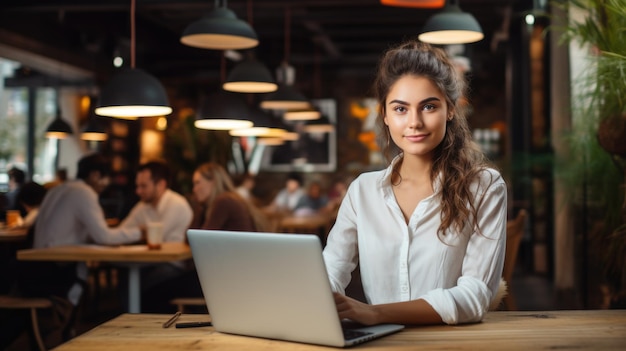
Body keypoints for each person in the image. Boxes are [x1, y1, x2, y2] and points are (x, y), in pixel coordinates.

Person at [322, 40, 507, 327]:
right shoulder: (363, 191)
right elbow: (331, 269)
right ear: (384, 115)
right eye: (400, 109)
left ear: (450, 110)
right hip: (381, 345)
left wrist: (375, 313)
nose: (414, 122)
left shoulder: (484, 186)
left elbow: (474, 297)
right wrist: (319, 298)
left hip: (452, 345)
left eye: (428, 107)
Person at [116, 160, 193, 311]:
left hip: (174, 265)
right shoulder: (144, 205)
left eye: (144, 186)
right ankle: (131, 322)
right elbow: (122, 231)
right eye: (137, 186)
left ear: (161, 185)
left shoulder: (176, 204)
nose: (138, 191)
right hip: (151, 262)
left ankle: (140, 323)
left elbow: (156, 237)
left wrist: (141, 232)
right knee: (128, 278)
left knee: (143, 283)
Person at [190, 162, 267, 232]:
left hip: (240, 247)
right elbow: (190, 238)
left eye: (197, 183)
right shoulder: (228, 198)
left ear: (213, 182)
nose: (194, 189)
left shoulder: (224, 201)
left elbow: (202, 239)